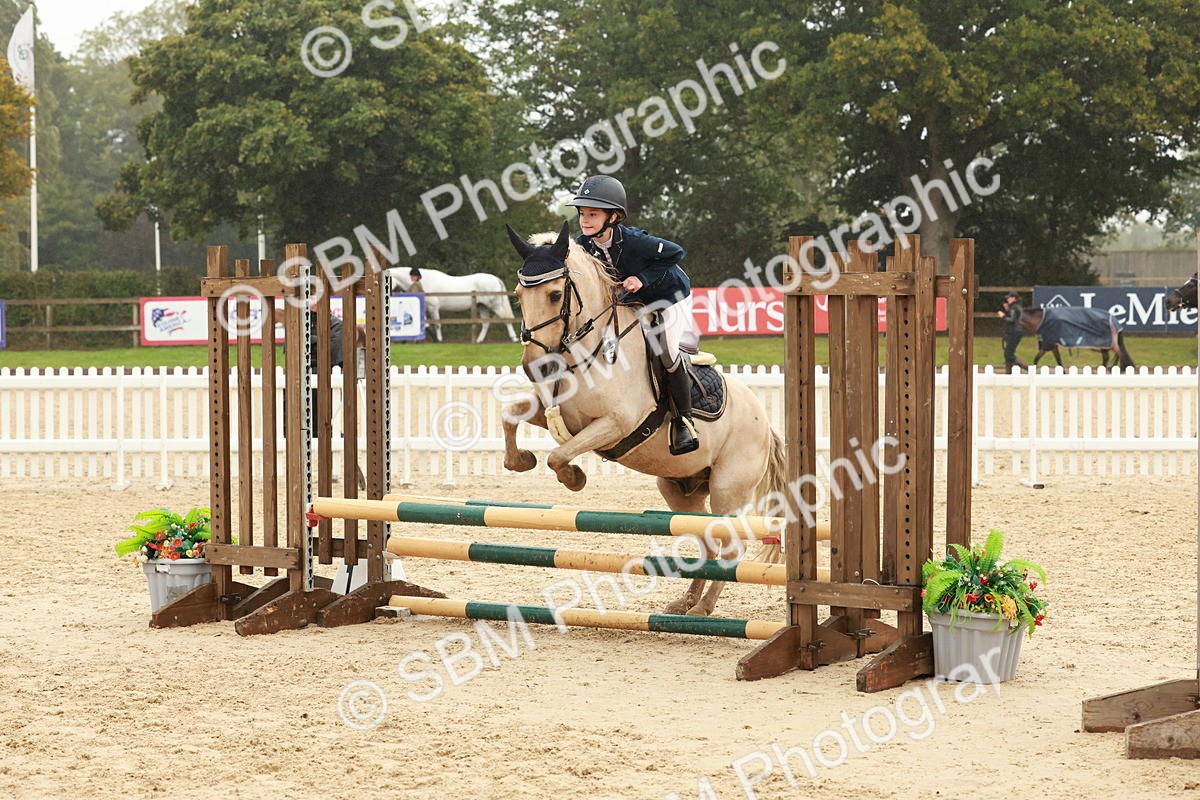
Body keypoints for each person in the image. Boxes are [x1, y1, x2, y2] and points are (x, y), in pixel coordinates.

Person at [565, 175, 700, 455]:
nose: (585, 220)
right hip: (635, 300)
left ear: (613, 217)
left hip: (670, 297)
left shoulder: (635, 241)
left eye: (592, 214)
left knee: (667, 350)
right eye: (582, 214)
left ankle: (684, 422)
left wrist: (642, 277)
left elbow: (676, 252)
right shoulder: (584, 244)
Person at [997, 291, 1028, 372]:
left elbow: (1012, 320)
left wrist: (1003, 316)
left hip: (1013, 332)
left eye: (1009, 298)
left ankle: (1028, 368)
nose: (1008, 299)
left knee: (1009, 355)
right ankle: (1008, 373)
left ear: (1014, 298)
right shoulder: (1017, 307)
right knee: (1008, 353)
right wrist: (1007, 310)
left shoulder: (1014, 308)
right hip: (1015, 332)